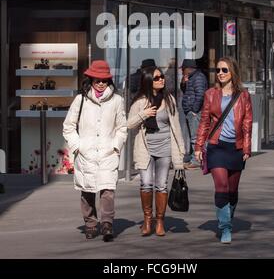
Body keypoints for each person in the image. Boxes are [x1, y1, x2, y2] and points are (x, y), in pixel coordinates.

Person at [63, 60, 127, 242]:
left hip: (108, 152)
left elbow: (122, 128)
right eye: (97, 79)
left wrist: (116, 146)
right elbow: (68, 126)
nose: (100, 83)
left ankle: (107, 223)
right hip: (86, 153)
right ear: (90, 79)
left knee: (107, 191)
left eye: (104, 80)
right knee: (87, 191)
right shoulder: (80, 99)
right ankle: (90, 224)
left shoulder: (117, 100)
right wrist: (78, 146)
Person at [195, 57, 253, 244]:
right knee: (221, 187)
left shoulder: (243, 95)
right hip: (216, 147)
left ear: (232, 72)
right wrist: (198, 146)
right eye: (218, 70)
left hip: (235, 148)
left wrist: (246, 147)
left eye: (224, 70)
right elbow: (204, 121)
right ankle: (225, 227)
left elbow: (247, 123)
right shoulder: (210, 94)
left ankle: (227, 215)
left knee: (232, 191)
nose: (220, 73)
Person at [128, 66, 185, 237]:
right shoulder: (140, 102)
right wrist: (143, 114)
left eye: (162, 77)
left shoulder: (169, 100)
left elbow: (176, 128)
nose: (161, 79)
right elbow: (128, 124)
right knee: (146, 183)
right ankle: (147, 220)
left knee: (161, 185)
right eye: (157, 78)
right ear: (148, 81)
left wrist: (181, 153)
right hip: (145, 149)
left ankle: (160, 221)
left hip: (165, 148)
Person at [180, 59, 208, 170]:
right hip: (190, 112)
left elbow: (200, 94)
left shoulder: (198, 77)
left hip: (195, 113)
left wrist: (194, 110)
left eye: (183, 69)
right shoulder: (191, 78)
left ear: (188, 68)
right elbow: (185, 91)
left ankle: (196, 160)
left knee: (195, 137)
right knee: (193, 136)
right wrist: (184, 82)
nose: (182, 71)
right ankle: (194, 157)